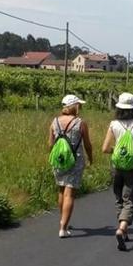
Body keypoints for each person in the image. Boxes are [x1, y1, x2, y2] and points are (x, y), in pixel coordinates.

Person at [101, 92, 133, 252]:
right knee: (130, 198)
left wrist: (117, 151)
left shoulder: (113, 124)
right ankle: (122, 228)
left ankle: (122, 228)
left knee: (119, 197)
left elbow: (104, 148)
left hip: (116, 165)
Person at [48, 94, 93, 238]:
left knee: (61, 190)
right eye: (79, 105)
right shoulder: (80, 123)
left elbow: (50, 143)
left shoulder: (54, 121)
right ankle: (63, 227)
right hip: (75, 160)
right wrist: (91, 158)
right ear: (74, 106)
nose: (80, 107)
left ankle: (63, 219)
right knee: (70, 193)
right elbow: (87, 144)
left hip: (59, 159)